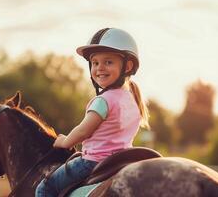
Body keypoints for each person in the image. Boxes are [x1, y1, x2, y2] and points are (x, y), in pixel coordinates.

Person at [35, 27, 150, 197]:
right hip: (121, 160)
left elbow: (83, 130)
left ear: (128, 66)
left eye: (108, 62)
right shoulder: (132, 100)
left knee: (45, 188)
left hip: (93, 162)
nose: (100, 68)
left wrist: (65, 141)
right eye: (95, 63)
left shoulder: (103, 101)